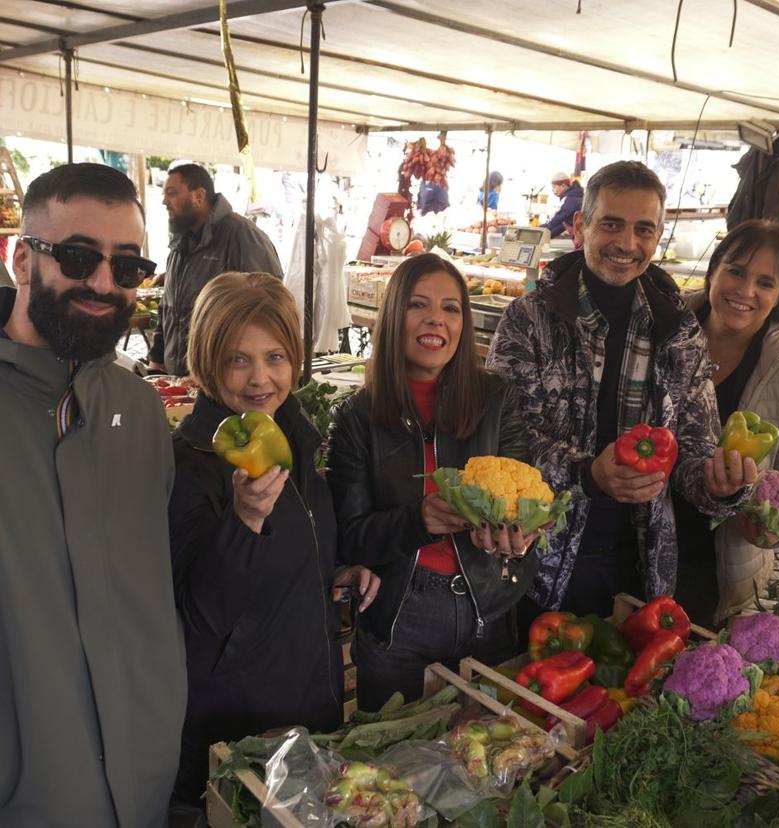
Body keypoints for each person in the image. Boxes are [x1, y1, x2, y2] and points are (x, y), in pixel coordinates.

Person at [486, 160, 757, 628]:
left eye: (643, 229)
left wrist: (719, 484)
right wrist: (587, 474)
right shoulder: (529, 319)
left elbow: (694, 451)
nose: (627, 244)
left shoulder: (678, 331)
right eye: (612, 224)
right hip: (540, 560)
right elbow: (502, 436)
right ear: (579, 226)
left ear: (657, 237)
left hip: (641, 564)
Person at [0, 163, 186, 827]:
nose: (104, 283)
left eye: (129, 266)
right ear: (22, 258)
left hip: (143, 785)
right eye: (79, 257)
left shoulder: (138, 410)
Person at [168, 271, 380, 812]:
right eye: (238, 359)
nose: (261, 378)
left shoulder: (295, 439)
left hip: (310, 701)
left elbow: (294, 555)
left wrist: (333, 573)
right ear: (207, 361)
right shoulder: (189, 464)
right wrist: (243, 521)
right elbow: (200, 613)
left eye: (276, 356)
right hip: (239, 729)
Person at [327, 253, 540, 711]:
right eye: (418, 305)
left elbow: (524, 496)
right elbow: (351, 536)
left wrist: (521, 534)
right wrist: (418, 519)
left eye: (451, 308)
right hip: (401, 616)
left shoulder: (497, 400)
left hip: (489, 607)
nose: (436, 320)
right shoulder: (355, 419)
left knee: (490, 757)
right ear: (393, 315)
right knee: (390, 766)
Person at [674, 220, 779, 628]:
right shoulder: (667, 327)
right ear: (714, 270)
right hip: (632, 539)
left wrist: (766, 526)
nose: (745, 291)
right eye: (736, 271)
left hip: (715, 563)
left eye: (765, 282)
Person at [148, 163, 283, 376]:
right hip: (180, 380)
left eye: (172, 193)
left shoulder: (242, 236)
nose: (165, 201)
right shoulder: (180, 243)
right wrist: (157, 356)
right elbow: (169, 305)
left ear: (199, 196)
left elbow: (269, 309)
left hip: (221, 381)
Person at [541, 172, 583, 239]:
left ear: (563, 186)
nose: (552, 190)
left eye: (554, 187)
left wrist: (539, 231)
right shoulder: (576, 196)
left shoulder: (571, 199)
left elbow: (558, 219)